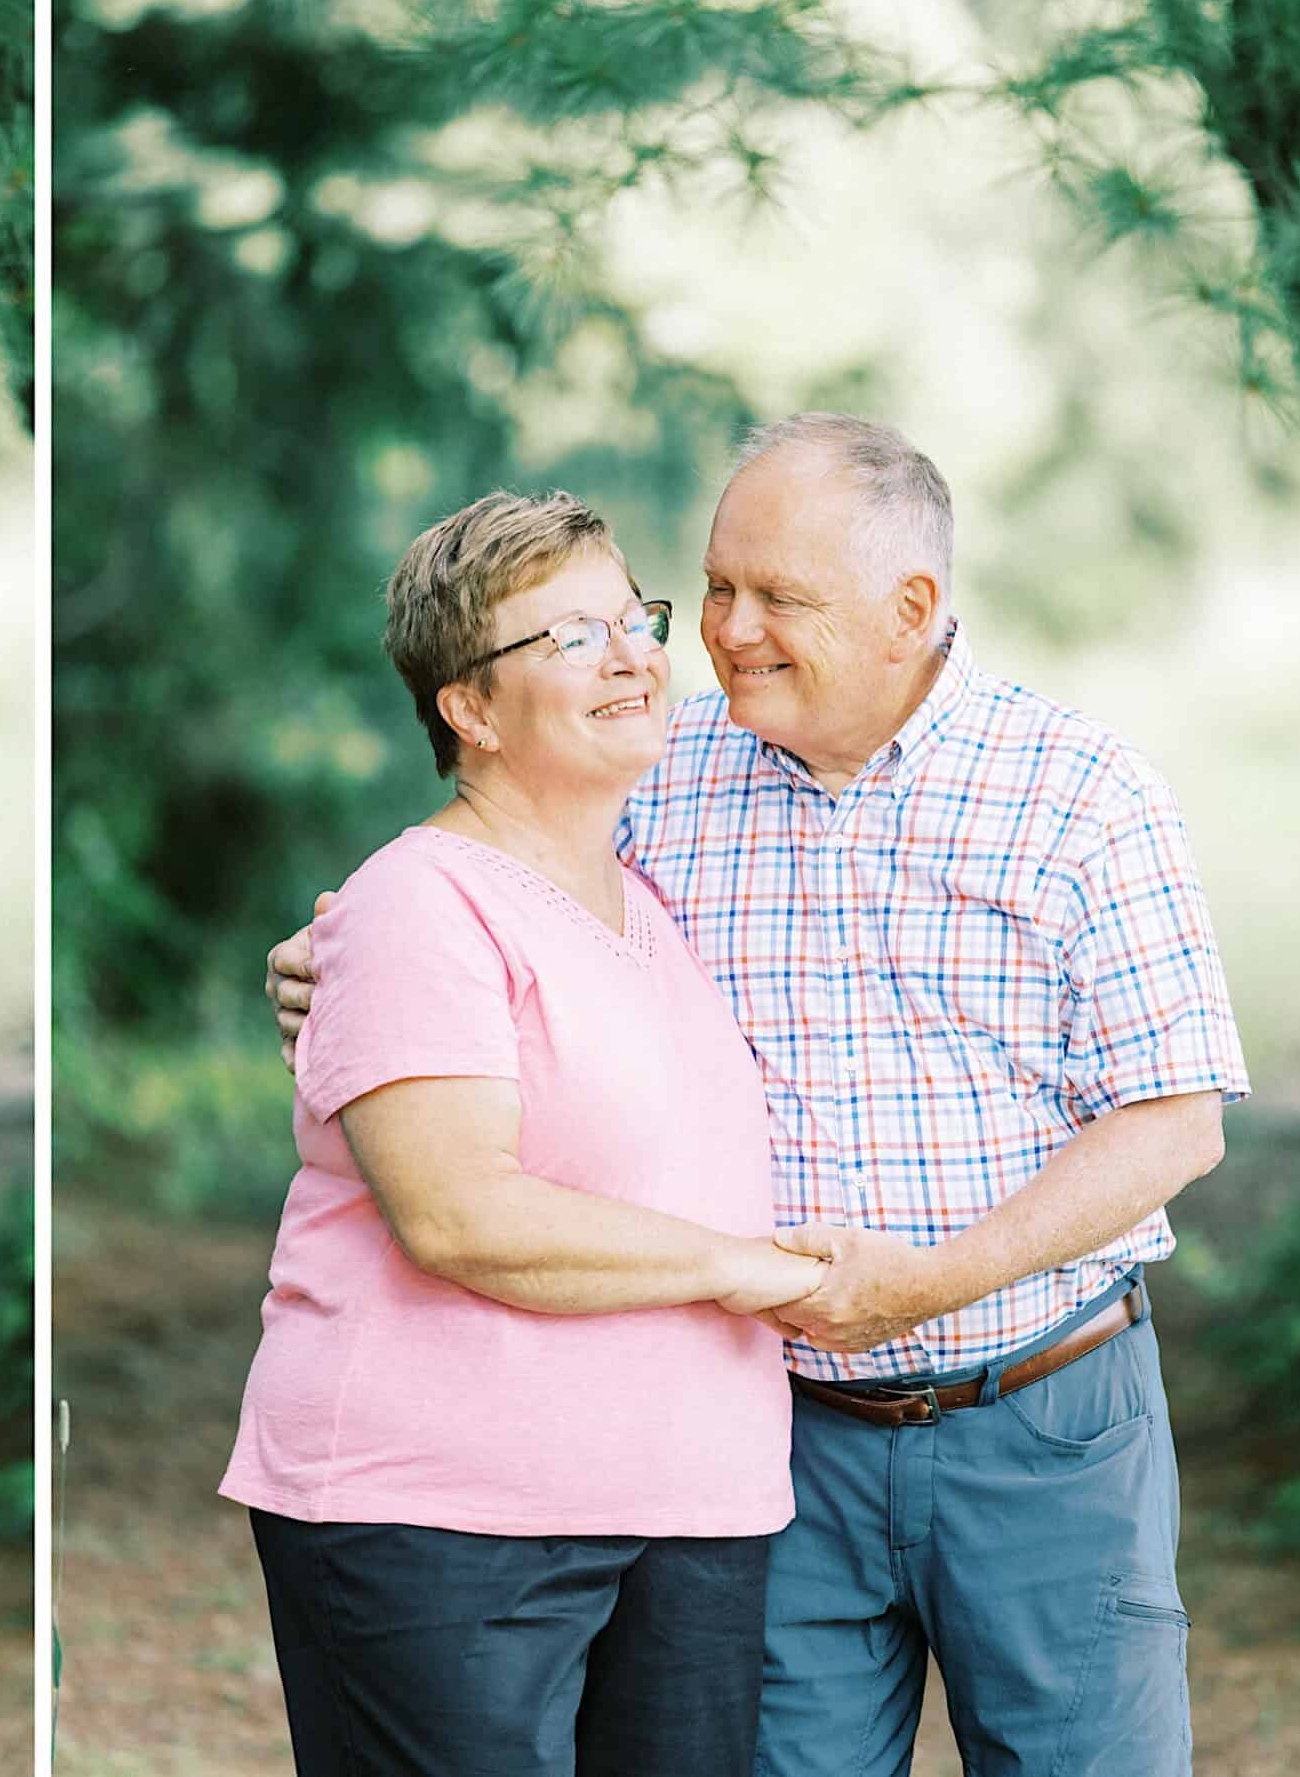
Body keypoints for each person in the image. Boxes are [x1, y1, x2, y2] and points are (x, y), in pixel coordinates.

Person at [268, 415, 1246, 1777]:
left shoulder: (1081, 794)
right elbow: (484, 906)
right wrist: (337, 964)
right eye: (717, 589)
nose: (726, 634)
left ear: (911, 609)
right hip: (781, 1442)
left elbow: (1172, 1119)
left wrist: (932, 1280)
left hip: (1045, 1416)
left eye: (781, 599)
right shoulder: (662, 780)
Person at [224, 487, 823, 1777]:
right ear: (472, 710)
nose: (628, 654)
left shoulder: (651, 910)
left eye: (631, 618)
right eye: (566, 638)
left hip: (693, 1509)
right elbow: (458, 1215)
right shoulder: (417, 901)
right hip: (441, 1520)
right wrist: (745, 1268)